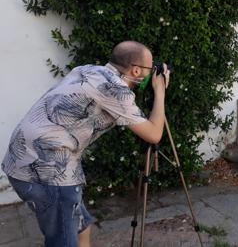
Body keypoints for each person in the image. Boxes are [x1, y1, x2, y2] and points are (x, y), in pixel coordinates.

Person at [1, 41, 170, 247]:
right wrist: (160, 91)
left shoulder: (87, 69)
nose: (152, 72)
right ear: (136, 70)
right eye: (149, 68)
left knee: (82, 226)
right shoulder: (116, 90)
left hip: (20, 159)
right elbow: (154, 134)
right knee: (63, 242)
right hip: (48, 172)